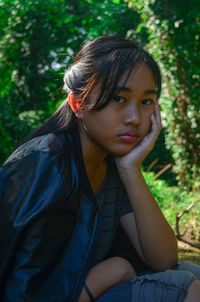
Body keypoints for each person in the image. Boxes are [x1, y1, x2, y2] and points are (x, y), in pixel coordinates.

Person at [0, 36, 200, 302]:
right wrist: (109, 273)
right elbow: (21, 290)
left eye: (146, 102)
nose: (135, 119)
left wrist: (131, 169)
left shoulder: (112, 163)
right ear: (78, 104)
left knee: (190, 271)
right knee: (191, 288)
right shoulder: (45, 165)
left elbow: (164, 258)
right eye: (119, 98)